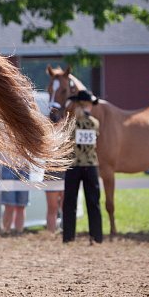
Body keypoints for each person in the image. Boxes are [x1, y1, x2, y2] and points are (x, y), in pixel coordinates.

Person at [62, 90, 103, 244]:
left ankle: (68, 237)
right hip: (90, 165)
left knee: (70, 202)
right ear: (87, 105)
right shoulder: (94, 123)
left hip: (73, 165)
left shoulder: (71, 122)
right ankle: (96, 236)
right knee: (93, 202)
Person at [0, 159, 30, 233]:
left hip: (24, 167)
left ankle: (19, 232)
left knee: (21, 206)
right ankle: (6, 231)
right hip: (8, 165)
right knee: (9, 205)